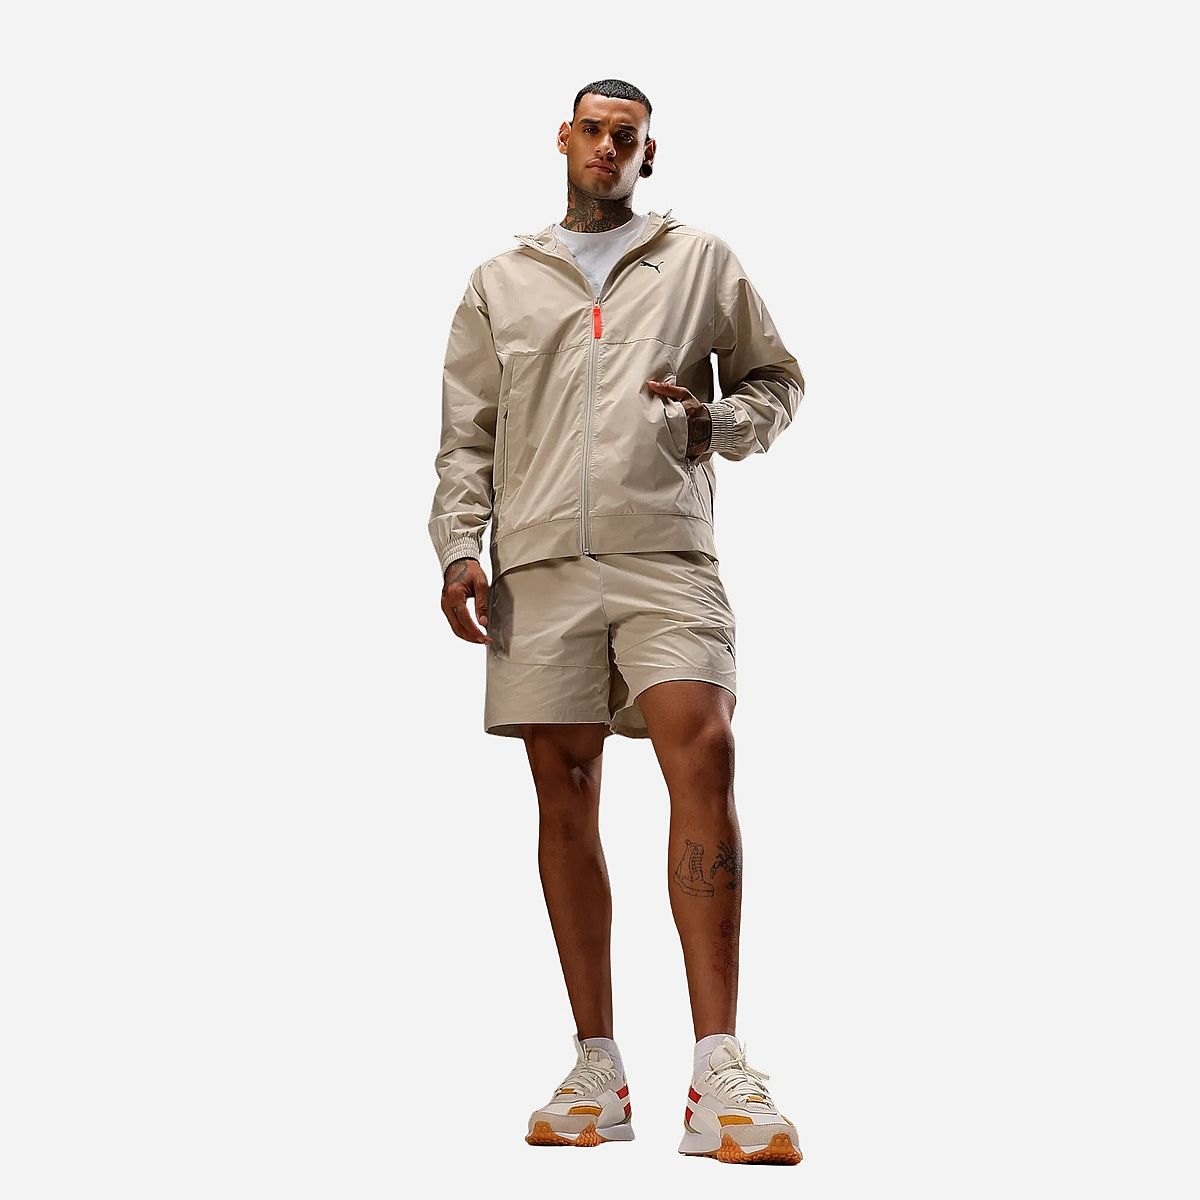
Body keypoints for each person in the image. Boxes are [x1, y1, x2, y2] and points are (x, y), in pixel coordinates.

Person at [428, 78, 806, 1167]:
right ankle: (597, 1064)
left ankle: (719, 1068)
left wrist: (718, 421)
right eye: (592, 130)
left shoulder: (700, 263)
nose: (607, 146)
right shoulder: (501, 279)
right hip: (538, 562)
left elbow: (779, 379)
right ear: (564, 138)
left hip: (665, 552)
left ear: (650, 153)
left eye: (626, 136)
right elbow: (467, 431)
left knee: (707, 747)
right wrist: (458, 543)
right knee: (566, 791)